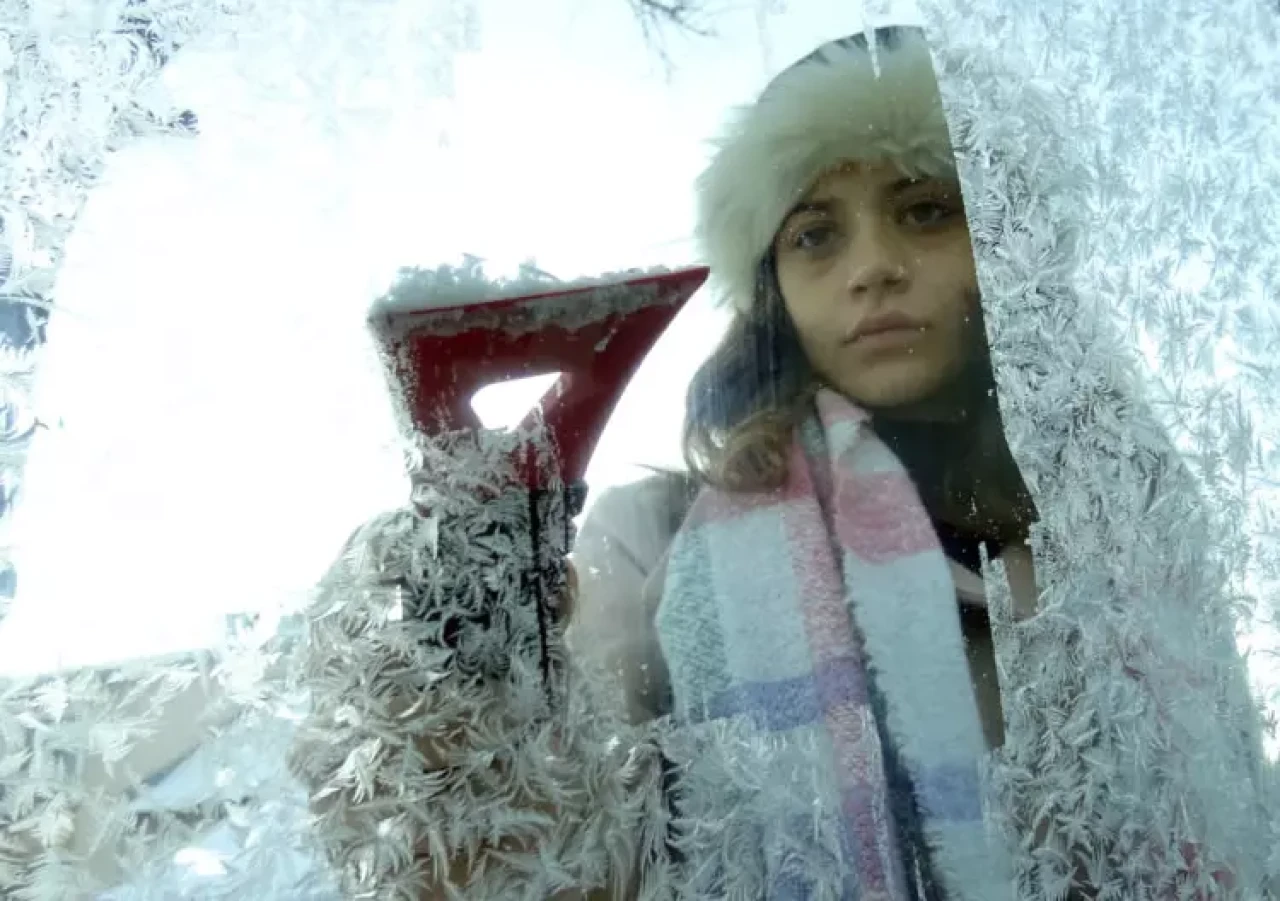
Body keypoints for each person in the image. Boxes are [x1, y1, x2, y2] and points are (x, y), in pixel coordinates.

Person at [297, 25, 1272, 901]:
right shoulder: (655, 543)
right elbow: (570, 866)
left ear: (1005, 249)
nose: (870, 265)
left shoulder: (1123, 529)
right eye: (814, 233)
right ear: (772, 289)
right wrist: (458, 683)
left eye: (925, 210)